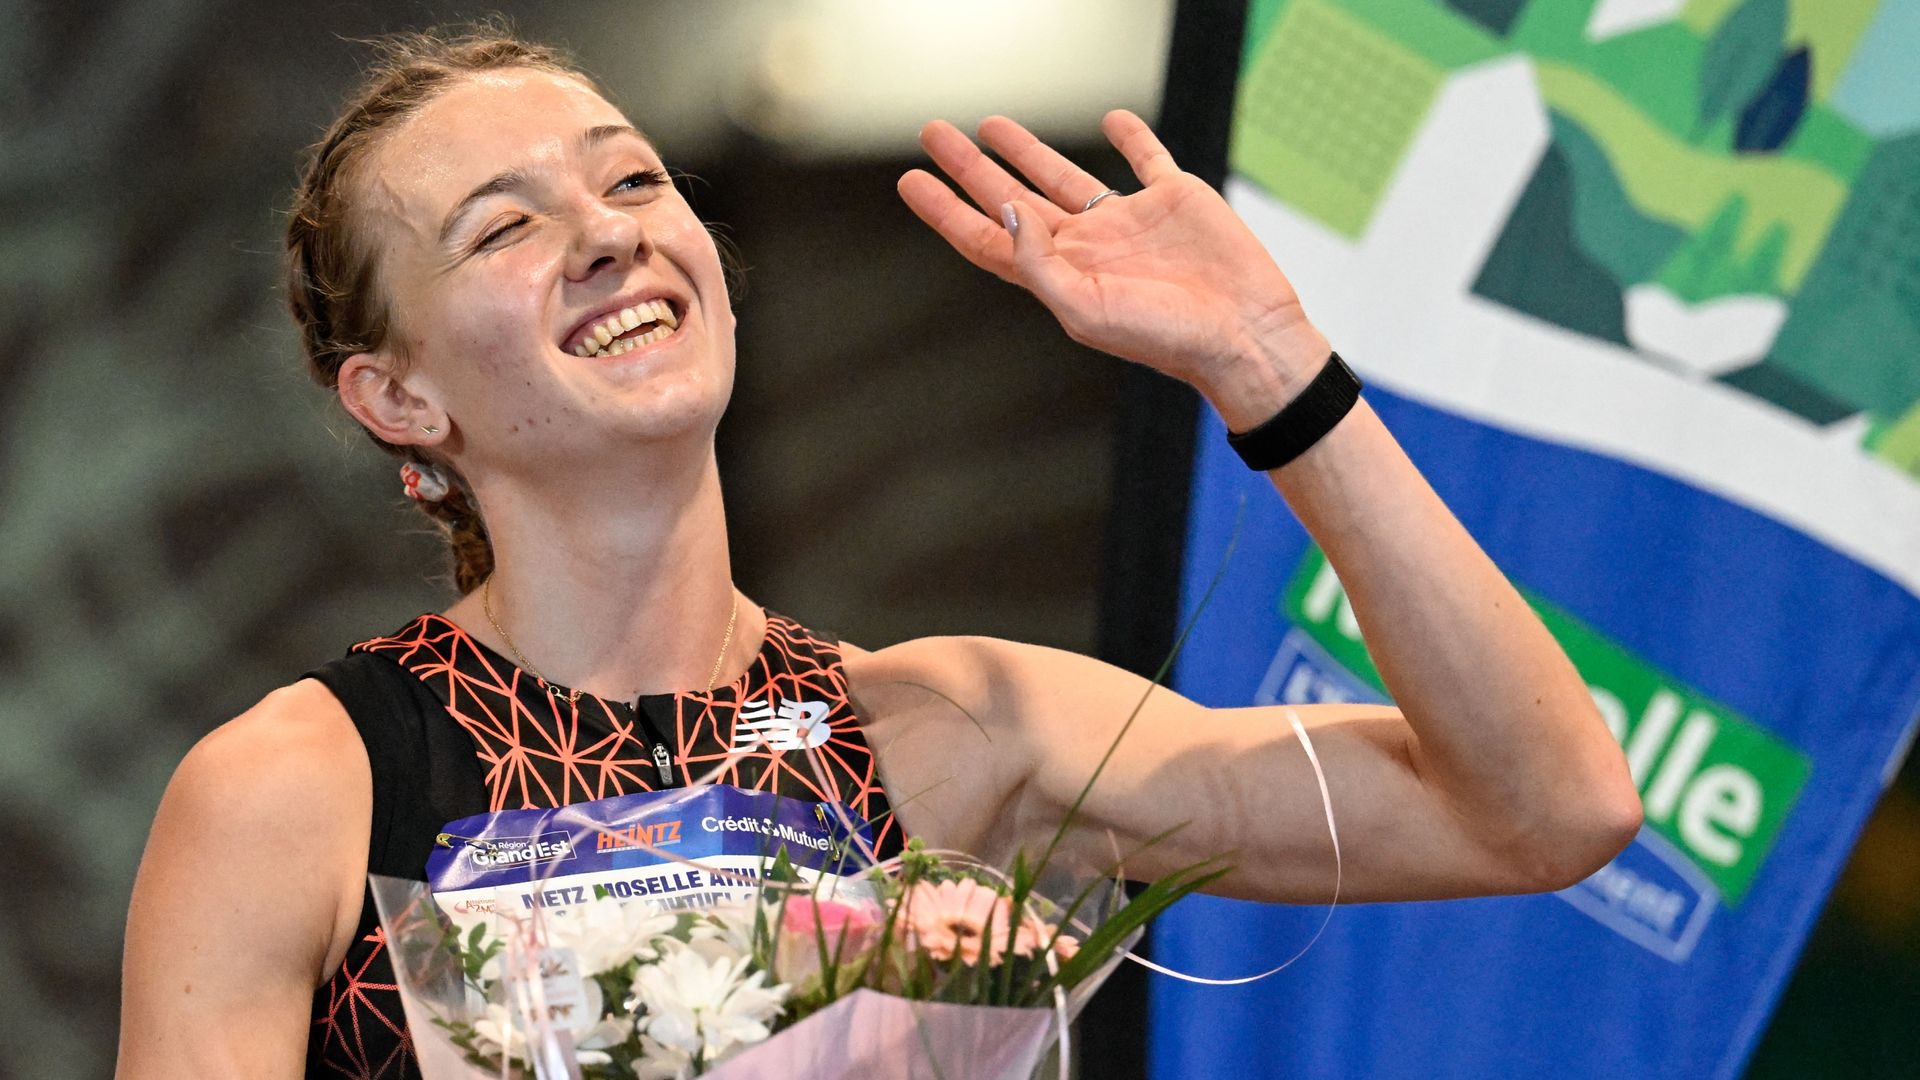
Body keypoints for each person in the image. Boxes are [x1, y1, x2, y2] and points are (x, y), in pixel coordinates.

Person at [116, 26, 1641, 1079]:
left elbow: (1545, 811)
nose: (608, 234)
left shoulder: (947, 733)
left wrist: (1273, 370)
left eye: (633, 180)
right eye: (503, 227)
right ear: (399, 398)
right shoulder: (295, 793)